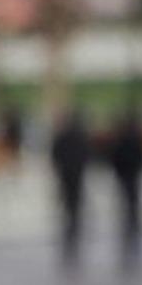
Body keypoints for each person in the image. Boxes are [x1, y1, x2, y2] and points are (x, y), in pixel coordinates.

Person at [107, 111, 142, 273]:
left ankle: (131, 228)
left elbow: (114, 157)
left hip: (126, 177)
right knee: (132, 204)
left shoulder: (122, 139)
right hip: (131, 176)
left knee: (128, 205)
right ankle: (132, 228)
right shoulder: (134, 138)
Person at [50, 110, 91, 271]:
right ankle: (73, 226)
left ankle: (71, 226)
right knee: (74, 204)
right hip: (74, 176)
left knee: (70, 204)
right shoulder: (79, 138)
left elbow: (55, 155)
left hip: (67, 176)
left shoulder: (64, 137)